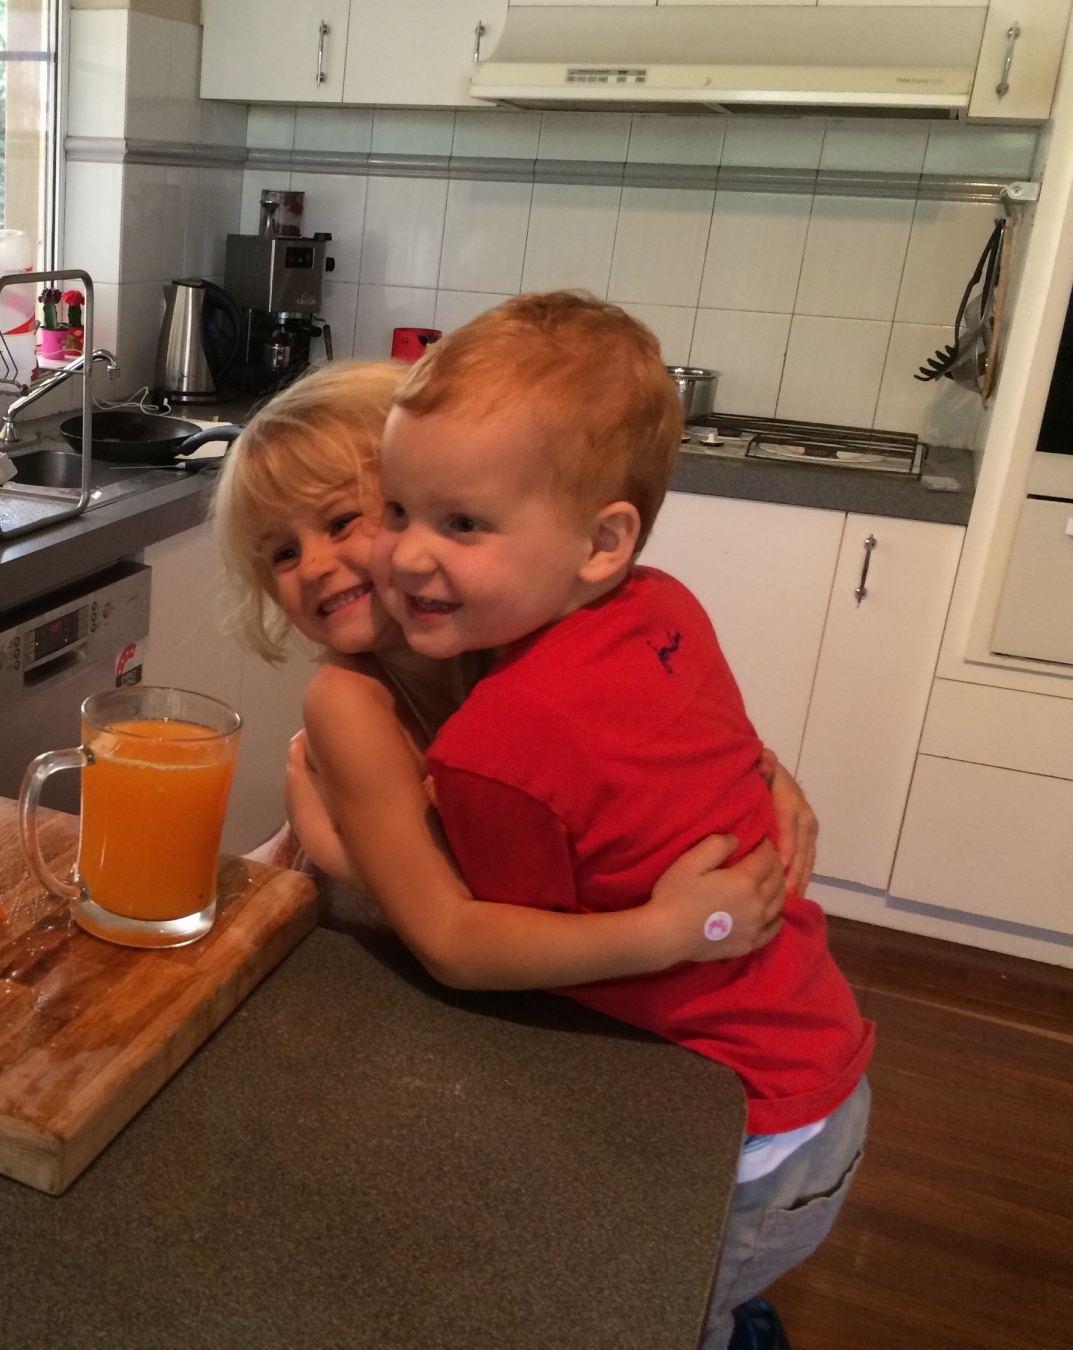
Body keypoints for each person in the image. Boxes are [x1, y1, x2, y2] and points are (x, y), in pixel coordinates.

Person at [349, 292, 872, 1350]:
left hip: (741, 1131)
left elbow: (476, 944)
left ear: (601, 541)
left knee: (654, 1319)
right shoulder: (665, 602)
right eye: (398, 510)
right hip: (821, 1065)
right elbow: (714, 753)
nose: (405, 555)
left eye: (462, 524)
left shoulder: (500, 745)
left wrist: (340, 829)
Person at [212, 359, 811, 991]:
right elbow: (448, 934)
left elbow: (654, 750)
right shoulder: (347, 703)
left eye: (341, 522)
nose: (312, 566)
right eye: (283, 553)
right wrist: (671, 930)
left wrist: (766, 777)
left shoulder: (533, 633)